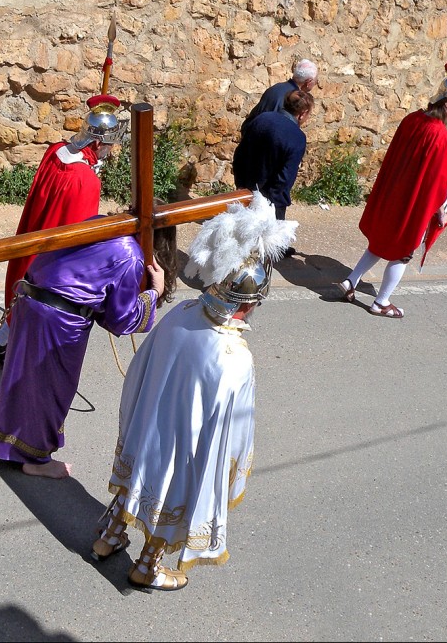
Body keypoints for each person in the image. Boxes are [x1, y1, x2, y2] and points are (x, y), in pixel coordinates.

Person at [90, 192, 297, 592]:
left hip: (147, 427)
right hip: (184, 446)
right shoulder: (235, 356)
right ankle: (147, 567)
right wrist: (229, 465)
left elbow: (139, 370)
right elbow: (236, 428)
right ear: (249, 304)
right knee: (174, 490)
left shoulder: (181, 314)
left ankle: (109, 536)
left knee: (140, 476)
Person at [0, 216, 179, 479]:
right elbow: (122, 318)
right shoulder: (131, 254)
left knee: (19, 376)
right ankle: (35, 458)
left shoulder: (104, 223)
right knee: (50, 389)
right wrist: (154, 291)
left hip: (32, 296)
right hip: (59, 319)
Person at [0, 93, 126, 365]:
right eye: (107, 145)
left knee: (23, 291)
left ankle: (1, 341)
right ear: (97, 142)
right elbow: (79, 234)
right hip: (52, 251)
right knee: (38, 300)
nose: (110, 150)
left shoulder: (55, 151)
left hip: (36, 229)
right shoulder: (85, 179)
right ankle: (15, 354)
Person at [338, 62, 447, 319]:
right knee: (403, 252)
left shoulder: (413, 119)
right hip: (414, 203)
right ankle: (381, 302)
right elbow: (436, 181)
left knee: (381, 241)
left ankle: (350, 281)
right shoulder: (443, 138)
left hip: (395, 195)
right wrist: (438, 212)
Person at [232, 89, 314, 221]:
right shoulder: (297, 137)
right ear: (302, 114)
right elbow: (285, 177)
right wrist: (268, 201)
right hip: (271, 204)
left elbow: (240, 153)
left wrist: (240, 185)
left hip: (245, 193)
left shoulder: (261, 119)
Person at [240, 58, 318, 137]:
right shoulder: (293, 99)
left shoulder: (276, 87)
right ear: (308, 82)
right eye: (315, 81)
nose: (315, 84)